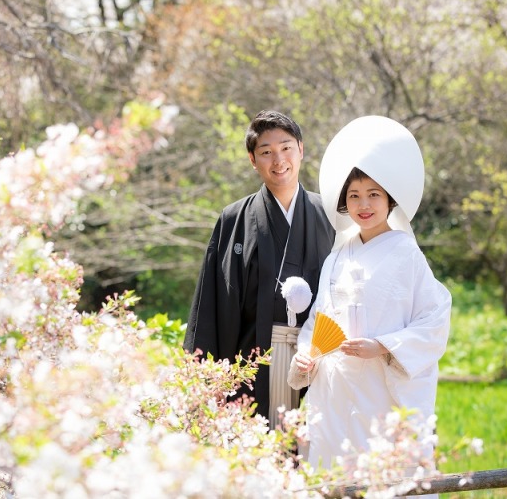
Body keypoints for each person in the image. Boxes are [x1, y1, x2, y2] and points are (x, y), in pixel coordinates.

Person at [288, 115, 451, 472]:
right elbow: (318, 320)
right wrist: (305, 355)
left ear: (389, 200)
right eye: (354, 196)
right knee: (332, 472)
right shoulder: (336, 257)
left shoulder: (406, 254)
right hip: (333, 389)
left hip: (379, 388)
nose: (364, 205)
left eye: (374, 195)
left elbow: (434, 319)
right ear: (344, 203)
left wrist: (384, 346)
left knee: (381, 471)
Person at [183, 109, 335, 427]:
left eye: (286, 148)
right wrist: (206, 379)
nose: (278, 160)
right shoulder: (233, 219)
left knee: (312, 444)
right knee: (259, 443)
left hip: (317, 358)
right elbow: (211, 303)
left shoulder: (331, 215)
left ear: (301, 149)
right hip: (252, 363)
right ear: (253, 160)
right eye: (266, 152)